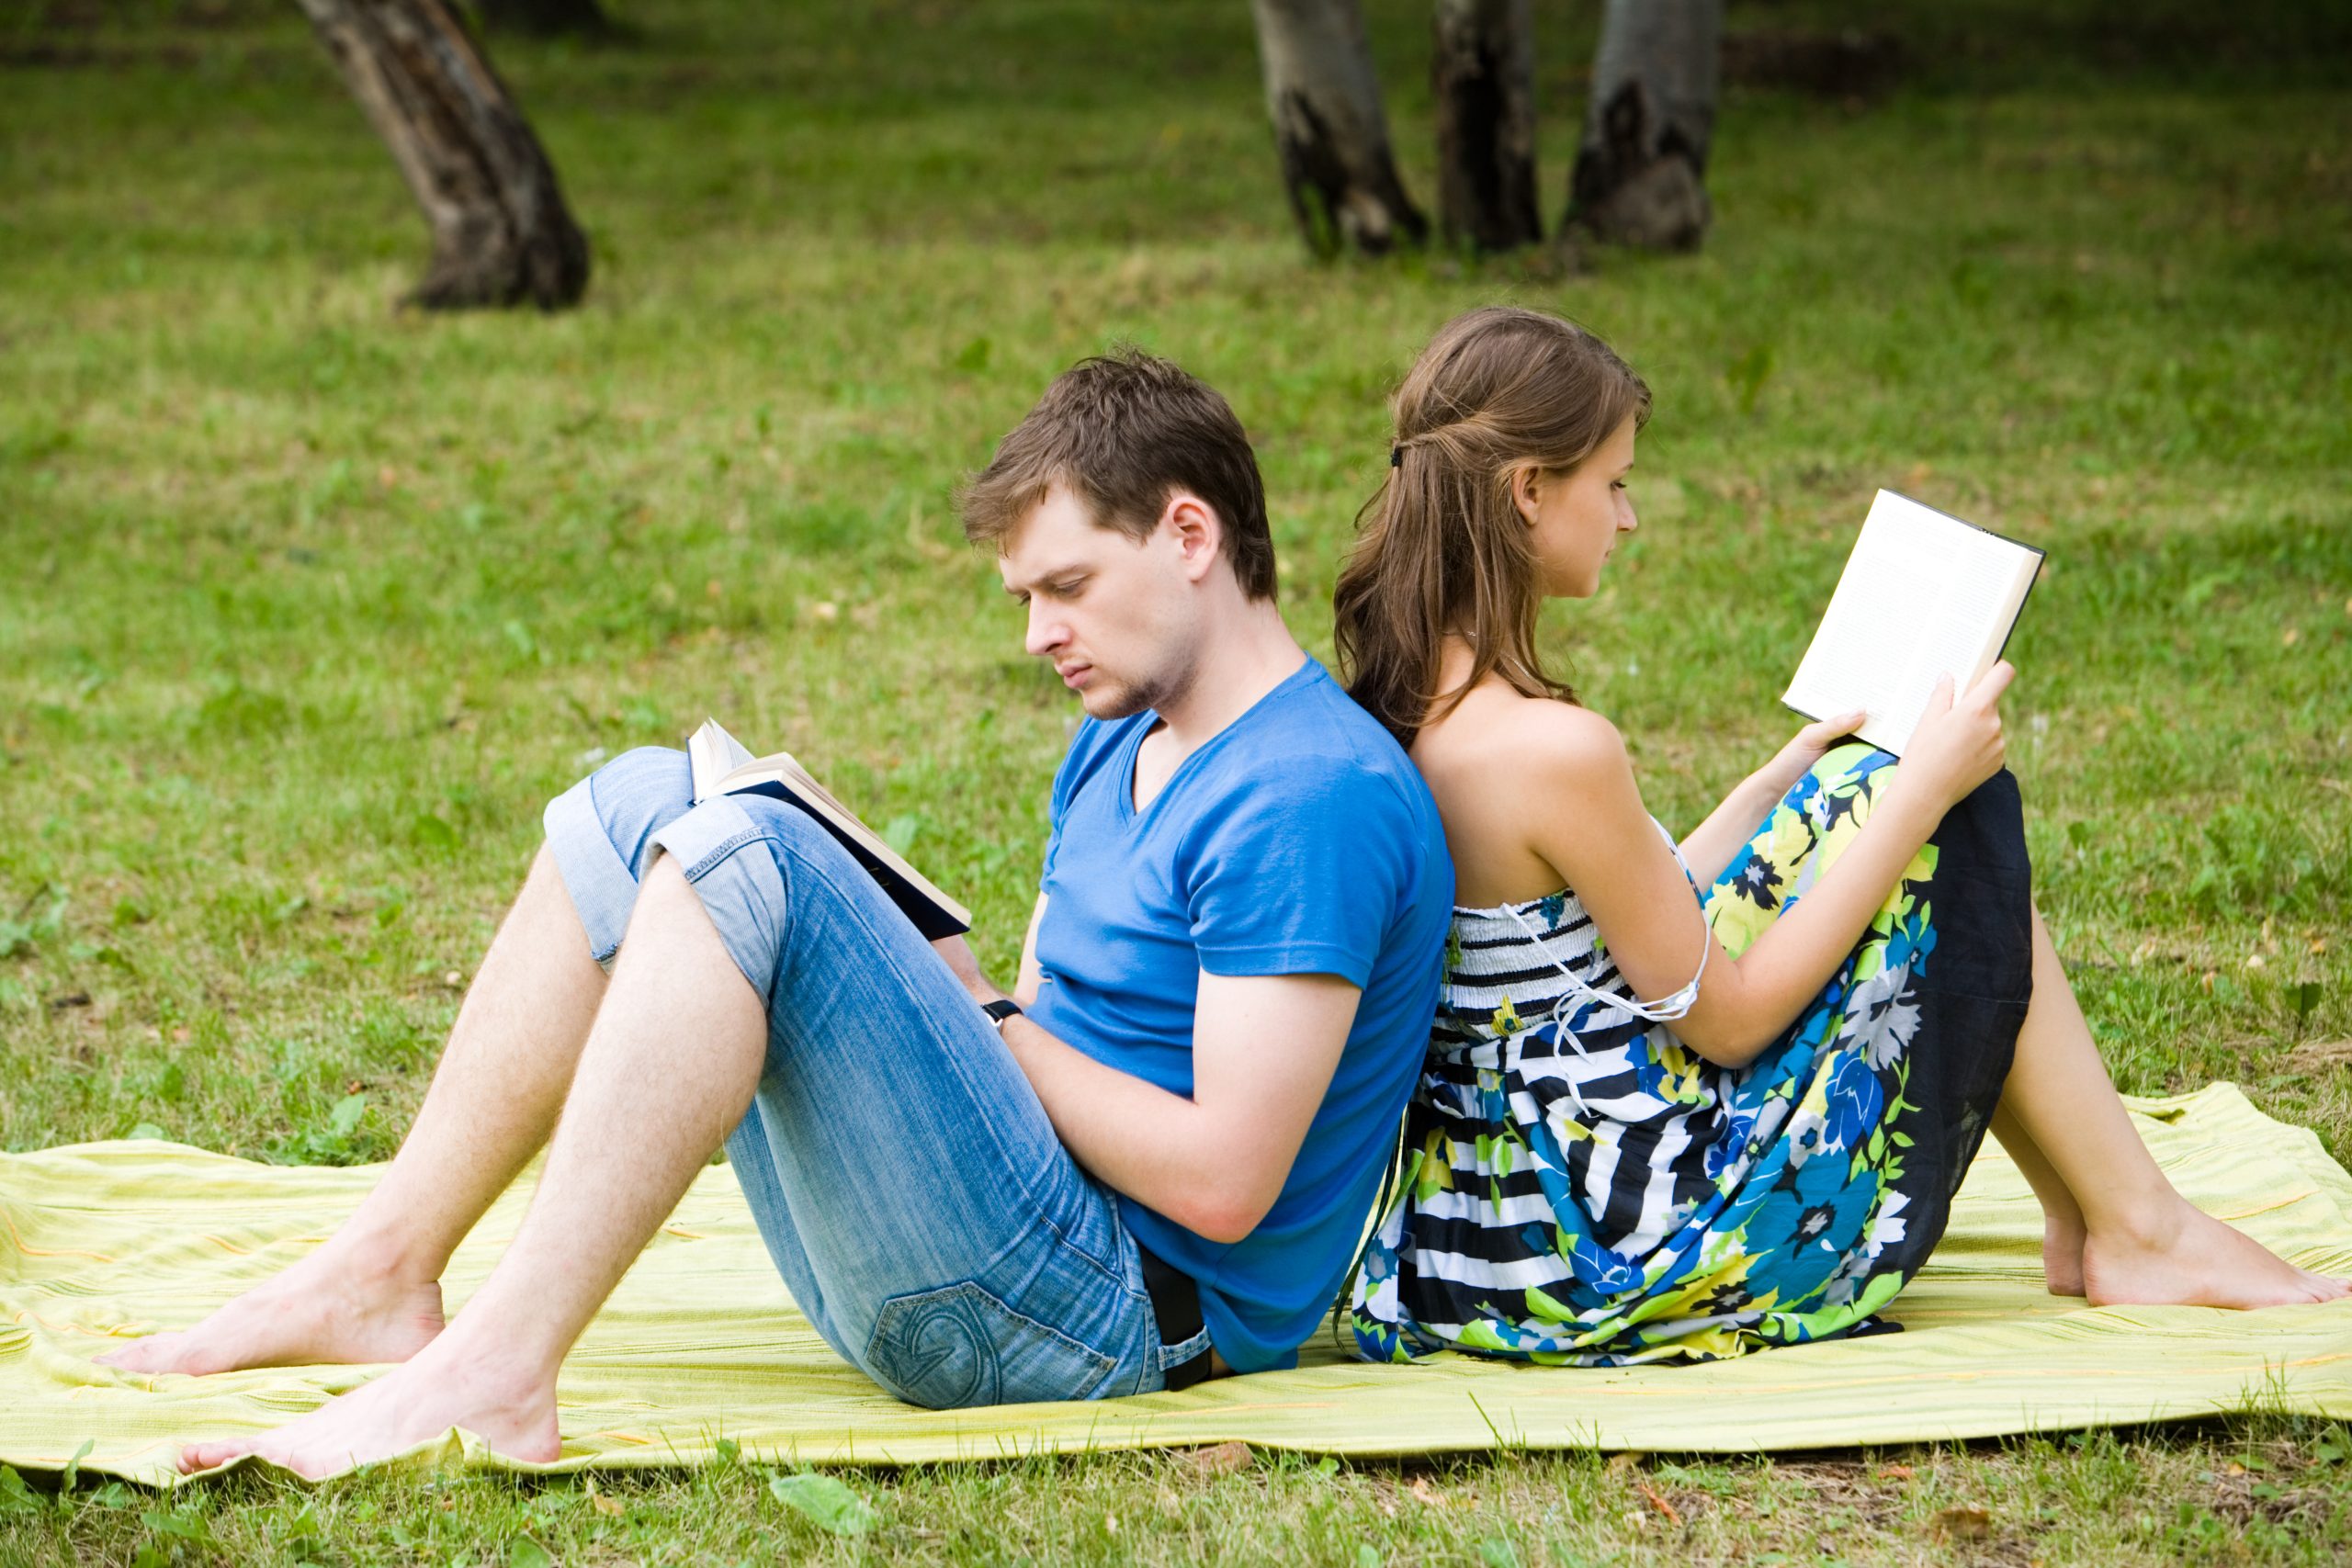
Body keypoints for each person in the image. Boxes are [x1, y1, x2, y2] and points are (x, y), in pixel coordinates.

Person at [99, 349, 1453, 1476]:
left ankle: (500, 1366)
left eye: (1067, 585)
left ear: (1190, 532)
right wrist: (957, 997)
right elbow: (1058, 1009)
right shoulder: (1125, 727)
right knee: (642, 797)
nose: (1040, 632)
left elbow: (1225, 1182)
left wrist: (979, 1019)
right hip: (996, 1233)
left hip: (1108, 1325)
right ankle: (383, 1271)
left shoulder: (1304, 797)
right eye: (1026, 598)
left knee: (755, 857)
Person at [1329, 305, 2346, 1368]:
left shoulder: (1409, 706)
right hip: (1626, 1239)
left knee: (1868, 786)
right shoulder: (1553, 748)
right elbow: (1726, 1024)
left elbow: (1588, 928)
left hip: (1473, 1236)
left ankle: (2098, 1217)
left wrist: (1783, 782)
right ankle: (2138, 1229)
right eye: (1614, 482)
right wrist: (1920, 792)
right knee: (1942, 813)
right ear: (1528, 490)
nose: (1626, 517)